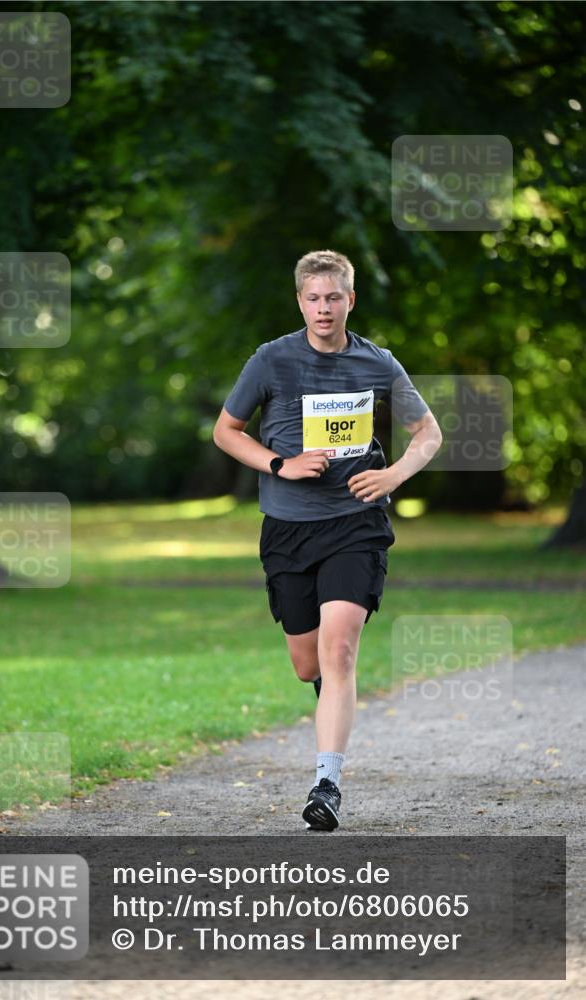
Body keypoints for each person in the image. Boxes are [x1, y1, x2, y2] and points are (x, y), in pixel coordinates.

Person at [213, 249, 442, 831]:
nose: (323, 307)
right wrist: (278, 463)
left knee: (340, 650)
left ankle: (327, 783)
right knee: (306, 661)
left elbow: (428, 432)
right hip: (288, 528)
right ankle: (328, 701)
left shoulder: (377, 362)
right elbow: (226, 431)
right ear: (300, 301)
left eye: (333, 297)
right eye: (313, 298)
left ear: (350, 300)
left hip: (356, 523)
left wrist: (393, 476)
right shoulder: (271, 360)